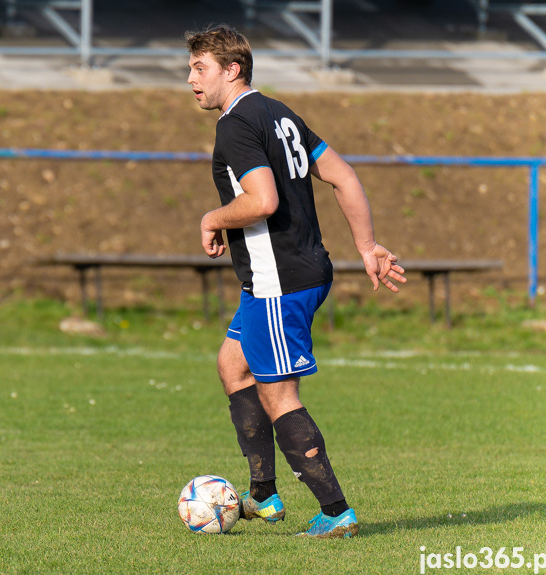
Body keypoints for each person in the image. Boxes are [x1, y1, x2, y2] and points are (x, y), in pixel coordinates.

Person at [185, 24, 406, 539]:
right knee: (232, 364)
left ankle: (335, 511)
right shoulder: (281, 114)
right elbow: (343, 175)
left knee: (279, 394)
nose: (191, 79)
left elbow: (263, 201)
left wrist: (212, 219)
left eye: (200, 68)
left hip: (278, 282)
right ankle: (262, 494)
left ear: (231, 69)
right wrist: (367, 246)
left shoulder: (235, 124)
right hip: (297, 272)